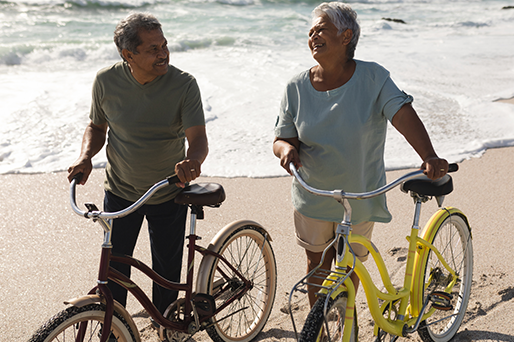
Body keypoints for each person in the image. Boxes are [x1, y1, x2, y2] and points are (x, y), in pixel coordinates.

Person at [273, 2, 448, 308]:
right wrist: (285, 149)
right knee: (317, 265)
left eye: (322, 28)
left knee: (349, 263)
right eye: (311, 30)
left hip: (361, 193)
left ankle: (345, 320)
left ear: (346, 36)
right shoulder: (296, 87)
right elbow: (282, 138)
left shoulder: (373, 78)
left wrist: (429, 155)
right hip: (312, 193)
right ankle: (322, 329)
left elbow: (402, 115)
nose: (313, 34)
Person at [67, 12, 208, 322]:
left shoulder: (183, 85)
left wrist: (193, 163)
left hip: (167, 193)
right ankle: (115, 329)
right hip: (120, 192)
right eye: (153, 49)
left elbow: (198, 140)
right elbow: (96, 127)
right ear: (127, 54)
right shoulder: (106, 81)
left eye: (164, 45)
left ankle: (167, 327)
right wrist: (85, 156)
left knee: (166, 276)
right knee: (114, 272)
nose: (164, 54)